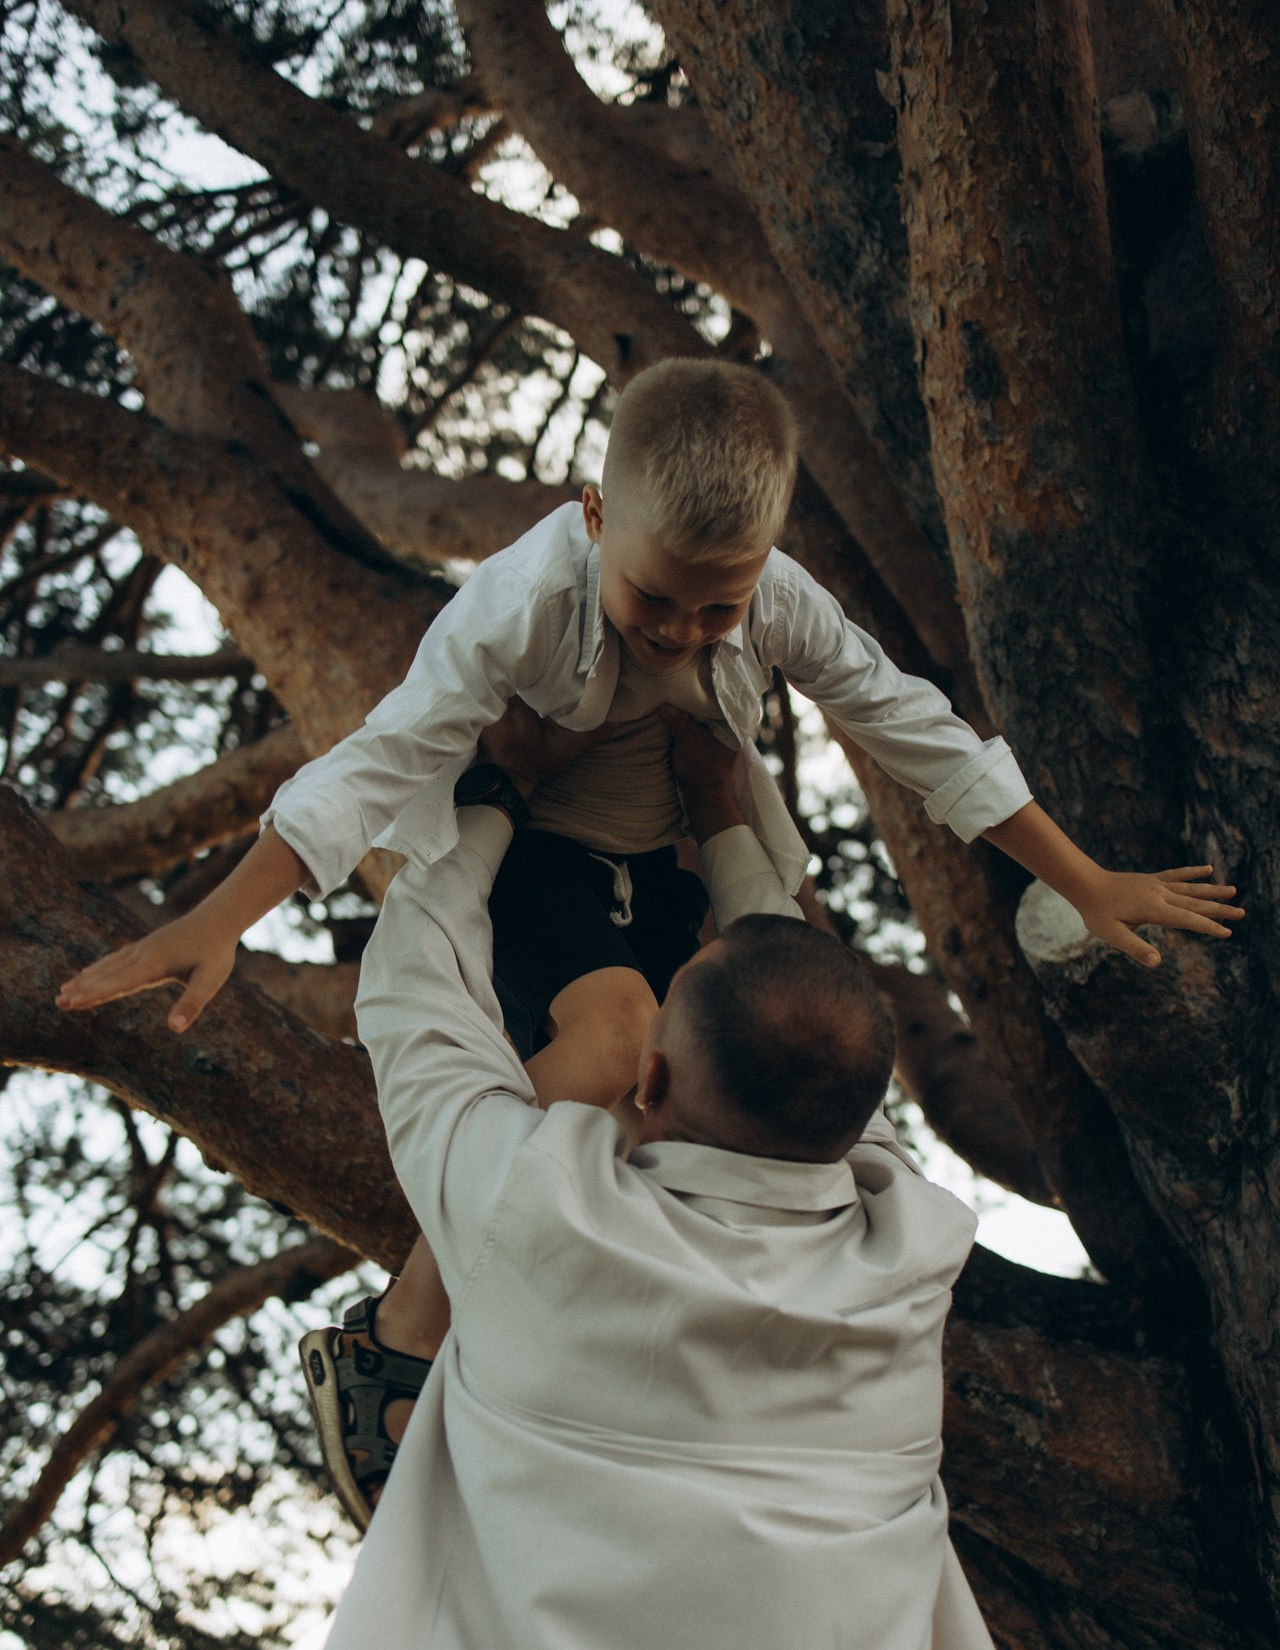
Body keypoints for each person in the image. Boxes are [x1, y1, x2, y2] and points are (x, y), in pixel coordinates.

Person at [56, 359, 1241, 1519]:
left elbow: (905, 722)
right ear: (592, 514)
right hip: (540, 850)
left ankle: (629, 1365)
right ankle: (399, 1331)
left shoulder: (777, 598)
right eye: (652, 599)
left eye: (716, 606)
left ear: (766, 561)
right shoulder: (521, 600)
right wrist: (219, 916)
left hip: (673, 866)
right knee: (620, 1039)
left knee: (723, 1094)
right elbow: (384, 754)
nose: (680, 631)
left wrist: (1080, 880)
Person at [223, 709, 1113, 1650]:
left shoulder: (533, 1204)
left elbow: (416, 986)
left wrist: (495, 795)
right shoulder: (911, 1251)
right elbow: (830, 1045)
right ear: (855, 1126)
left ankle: (400, 1348)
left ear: (645, 1082)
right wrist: (724, 818)